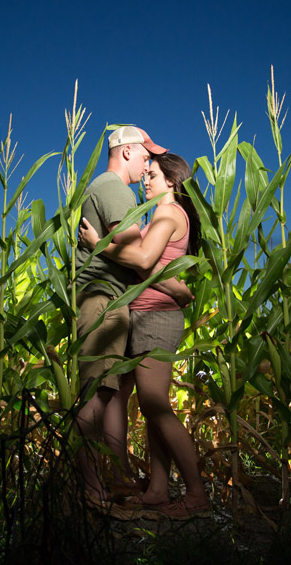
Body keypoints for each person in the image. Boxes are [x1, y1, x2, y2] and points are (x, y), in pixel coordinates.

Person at [79, 152, 210, 518]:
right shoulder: (160, 214)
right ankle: (157, 489)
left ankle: (197, 496)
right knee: (151, 410)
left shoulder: (168, 213)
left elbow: (142, 261)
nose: (145, 180)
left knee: (154, 403)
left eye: (152, 175)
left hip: (157, 317)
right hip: (144, 314)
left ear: (171, 181)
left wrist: (97, 245)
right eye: (145, 173)